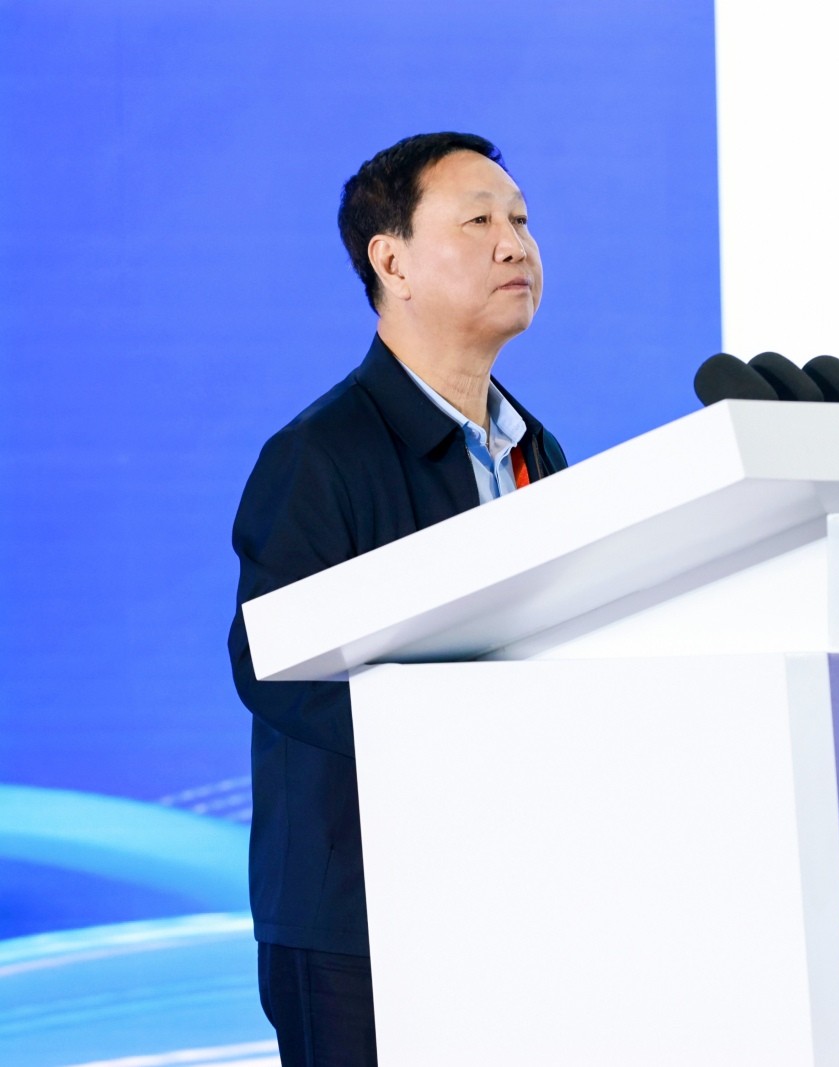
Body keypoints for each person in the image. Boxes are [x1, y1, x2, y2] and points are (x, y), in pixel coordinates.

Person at [227, 132, 566, 1064]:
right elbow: (270, 668)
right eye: (479, 222)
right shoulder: (319, 455)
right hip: (356, 923)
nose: (514, 245)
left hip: (505, 892)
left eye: (522, 220)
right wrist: (449, 729)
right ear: (392, 261)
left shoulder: (535, 450)